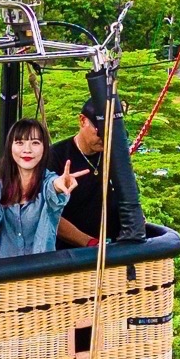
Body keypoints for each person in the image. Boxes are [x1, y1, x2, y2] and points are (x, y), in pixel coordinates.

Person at [0, 118, 87, 257]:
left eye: (35, 143)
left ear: (44, 148)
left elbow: (53, 188)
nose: (27, 150)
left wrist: (60, 185)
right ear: (10, 147)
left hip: (41, 272)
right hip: (6, 273)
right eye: (20, 143)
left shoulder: (48, 182)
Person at [47, 99, 124, 248]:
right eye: (100, 132)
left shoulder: (114, 154)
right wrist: (89, 243)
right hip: (71, 254)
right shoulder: (55, 156)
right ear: (82, 121)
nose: (104, 138)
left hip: (112, 249)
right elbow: (49, 213)